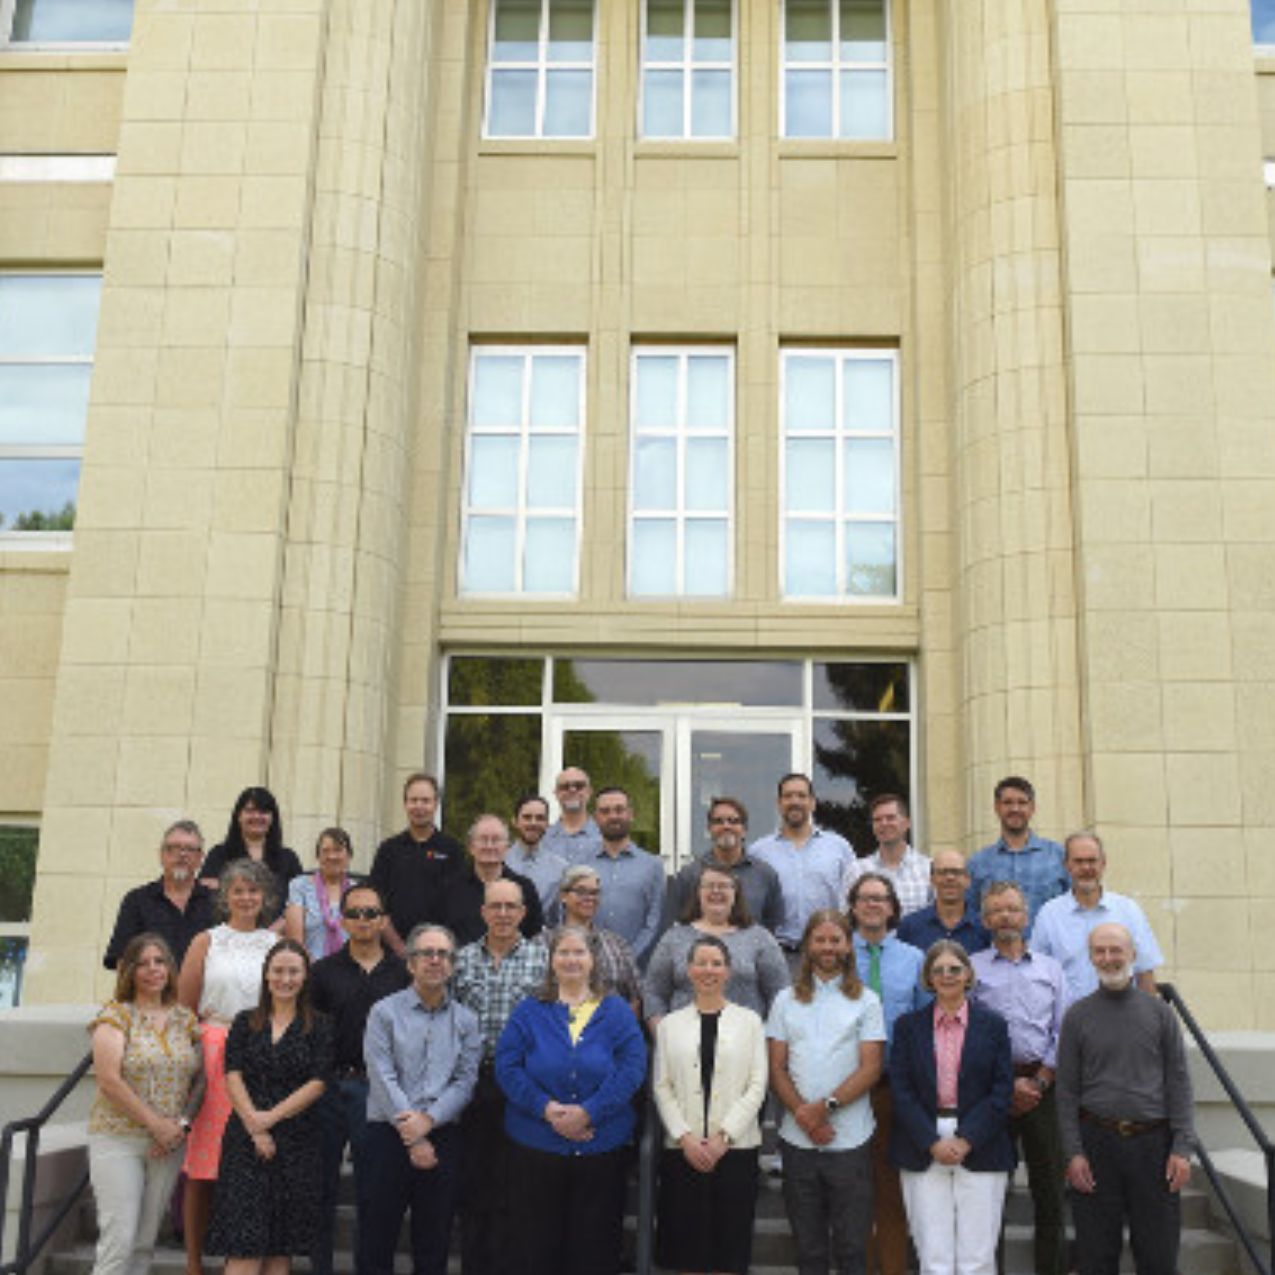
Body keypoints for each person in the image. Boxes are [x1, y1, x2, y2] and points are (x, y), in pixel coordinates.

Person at [494, 926, 647, 1275]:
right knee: (535, 1244)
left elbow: (632, 1067)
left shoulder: (617, 1010)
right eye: (563, 952)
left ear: (593, 960)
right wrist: (546, 1109)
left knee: (594, 1247)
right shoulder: (529, 1010)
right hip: (535, 1146)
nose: (571, 960)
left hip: (601, 1147)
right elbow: (507, 1066)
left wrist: (590, 1112)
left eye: (579, 953)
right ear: (551, 960)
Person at [1056, 923, 1194, 1275]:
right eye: (1100, 951)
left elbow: (1178, 1083)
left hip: (1154, 1147)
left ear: (1132, 954)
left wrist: (1181, 1147)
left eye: (1115, 950)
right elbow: (1067, 1091)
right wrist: (1073, 1153)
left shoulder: (1160, 1013)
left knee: (1158, 1255)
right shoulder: (1077, 1016)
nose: (1108, 958)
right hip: (1096, 1144)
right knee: (1096, 1256)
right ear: (1091, 958)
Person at [767, 910, 885, 1275]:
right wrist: (804, 1114)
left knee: (851, 1249)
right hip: (798, 1140)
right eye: (820, 939)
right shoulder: (785, 1000)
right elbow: (776, 1067)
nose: (828, 947)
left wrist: (825, 1108)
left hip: (849, 1141)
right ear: (807, 945)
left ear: (849, 945)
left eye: (836, 939)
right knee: (809, 1248)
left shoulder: (867, 1001)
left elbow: (871, 1068)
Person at [204, 939, 332, 1275]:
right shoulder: (245, 1022)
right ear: (266, 976)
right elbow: (232, 1073)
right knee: (243, 1248)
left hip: (297, 1142)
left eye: (293, 971)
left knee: (280, 1250)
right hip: (244, 1141)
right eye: (278, 971)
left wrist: (269, 1120)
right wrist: (255, 1126)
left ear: (305, 977)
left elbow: (318, 1082)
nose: (285, 978)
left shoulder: (319, 1025)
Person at [361, 924, 482, 1275]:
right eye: (426, 953)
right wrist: (413, 1133)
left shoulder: (466, 1021)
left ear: (452, 964)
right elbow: (381, 1075)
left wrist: (428, 1122)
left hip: (443, 1135)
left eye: (443, 954)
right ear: (410, 963)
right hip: (388, 1133)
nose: (435, 960)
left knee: (435, 1239)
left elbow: (465, 1081)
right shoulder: (383, 1013)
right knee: (376, 1238)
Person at [890, 940, 1015, 1275]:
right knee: (933, 1254)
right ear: (928, 978)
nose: (947, 976)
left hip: (980, 1140)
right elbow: (901, 1091)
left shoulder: (994, 1026)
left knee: (978, 1256)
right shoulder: (907, 1027)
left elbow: (1001, 1090)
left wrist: (967, 1139)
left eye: (954, 969)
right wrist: (931, 1141)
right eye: (938, 970)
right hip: (923, 1140)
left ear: (969, 974)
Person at [178, 860, 278, 1275]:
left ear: (265, 897)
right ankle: (194, 1262)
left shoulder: (276, 943)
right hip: (214, 1049)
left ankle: (246, 1256)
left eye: (253, 891)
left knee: (253, 1163)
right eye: (238, 890)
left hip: (261, 1053)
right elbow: (185, 1006)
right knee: (205, 1166)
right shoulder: (206, 941)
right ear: (226, 897)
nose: (246, 898)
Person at [87, 934, 205, 1275]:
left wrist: (180, 1126)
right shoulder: (116, 1015)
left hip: (169, 1144)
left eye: (160, 961)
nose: (153, 969)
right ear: (130, 972)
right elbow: (109, 1080)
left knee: (144, 1243)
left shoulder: (186, 1019)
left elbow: (202, 1079)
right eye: (143, 963)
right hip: (118, 1138)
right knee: (119, 1240)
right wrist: (156, 1125)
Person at [308, 883, 410, 1275]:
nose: (364, 920)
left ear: (384, 920)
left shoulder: (403, 972)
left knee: (375, 1193)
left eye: (371, 913)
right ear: (342, 920)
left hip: (381, 1092)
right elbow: (311, 1033)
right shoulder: (322, 972)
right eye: (355, 913)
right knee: (322, 1191)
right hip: (330, 1089)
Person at [970, 882, 1070, 1275]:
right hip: (992, 1091)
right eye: (996, 911)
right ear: (985, 920)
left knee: (1050, 1194)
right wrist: (1004, 1085)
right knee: (991, 1193)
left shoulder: (1051, 969)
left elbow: (1065, 1030)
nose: (1005, 917)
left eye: (1012, 909)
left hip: (1044, 1088)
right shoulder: (972, 967)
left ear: (1026, 916)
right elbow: (968, 1032)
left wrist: (1042, 1081)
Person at [653, 935, 768, 1275]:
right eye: (701, 962)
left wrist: (724, 1137)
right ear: (688, 970)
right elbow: (662, 1086)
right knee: (687, 1253)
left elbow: (757, 1084)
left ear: (728, 971)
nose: (708, 970)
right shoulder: (669, 1025)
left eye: (716, 963)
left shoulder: (750, 1022)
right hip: (682, 1151)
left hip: (735, 1151)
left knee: (728, 1253)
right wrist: (685, 1138)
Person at [453, 879, 549, 1275]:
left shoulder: (543, 961)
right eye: (496, 906)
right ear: (483, 911)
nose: (504, 914)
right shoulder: (460, 960)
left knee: (518, 1184)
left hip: (522, 1085)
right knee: (475, 1183)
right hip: (474, 1084)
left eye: (512, 907)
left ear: (524, 913)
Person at [847, 872, 927, 1275]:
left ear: (893, 908)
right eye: (865, 898)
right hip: (846, 1091)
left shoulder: (914, 959)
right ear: (854, 906)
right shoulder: (838, 956)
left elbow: (926, 1024)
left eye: (880, 898)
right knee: (852, 1195)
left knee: (891, 1192)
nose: (873, 904)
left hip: (895, 1090)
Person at [644, 863, 789, 1028]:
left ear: (736, 893)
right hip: (684, 1041)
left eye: (723, 886)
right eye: (709, 886)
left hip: (744, 1041)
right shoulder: (673, 938)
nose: (716, 891)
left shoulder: (760, 938)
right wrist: (664, 1035)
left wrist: (765, 1040)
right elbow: (654, 993)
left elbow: (780, 996)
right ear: (698, 893)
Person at [1031, 832, 1164, 999]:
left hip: (1122, 1019)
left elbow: (1144, 972)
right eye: (1078, 861)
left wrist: (1150, 1020)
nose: (1086, 868)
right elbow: (1038, 976)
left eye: (1092, 861)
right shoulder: (1049, 914)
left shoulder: (1128, 910)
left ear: (1103, 863)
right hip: (1069, 1020)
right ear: (1066, 865)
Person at [749, 773, 855, 964]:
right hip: (777, 955)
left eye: (801, 796)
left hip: (828, 955)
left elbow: (852, 900)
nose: (794, 801)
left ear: (812, 802)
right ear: (779, 803)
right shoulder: (759, 852)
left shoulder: (839, 848)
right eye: (788, 796)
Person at [369, 772, 465, 958]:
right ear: (405, 803)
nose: (419, 806)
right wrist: (399, 947)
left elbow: (457, 904)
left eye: (425, 800)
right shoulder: (388, 849)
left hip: (437, 954)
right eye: (414, 800)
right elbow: (376, 903)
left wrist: (436, 947)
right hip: (392, 953)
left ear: (436, 804)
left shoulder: (452, 849)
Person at [104, 820, 215, 970]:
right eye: (173, 848)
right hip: (153, 991)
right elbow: (122, 958)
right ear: (161, 855)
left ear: (200, 858)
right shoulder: (137, 900)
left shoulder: (217, 901)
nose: (182, 854)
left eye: (190, 849)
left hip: (204, 992)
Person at [579, 786, 666, 966]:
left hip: (637, 971)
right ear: (596, 819)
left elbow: (655, 922)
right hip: (588, 969)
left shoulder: (653, 866)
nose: (613, 816)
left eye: (619, 810)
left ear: (631, 814)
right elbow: (571, 916)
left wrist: (628, 958)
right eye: (605, 811)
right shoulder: (581, 865)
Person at [669, 796, 784, 933]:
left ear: (744, 830)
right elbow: (679, 923)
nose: (726, 826)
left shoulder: (765, 875)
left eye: (733, 821)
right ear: (709, 829)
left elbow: (772, 924)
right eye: (718, 821)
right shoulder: (689, 875)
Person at [966, 776, 1067, 926]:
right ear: (997, 808)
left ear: (1032, 808)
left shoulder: (1058, 856)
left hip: (1049, 949)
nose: (1015, 809)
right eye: (1008, 803)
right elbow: (971, 913)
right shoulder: (978, 862)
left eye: (1022, 803)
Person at [198, 787, 303, 927]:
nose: (257, 816)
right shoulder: (219, 854)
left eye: (263, 812)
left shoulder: (288, 859)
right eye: (250, 811)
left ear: (273, 818)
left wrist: (272, 933)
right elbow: (205, 892)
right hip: (229, 937)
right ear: (239, 816)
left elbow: (299, 902)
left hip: (276, 940)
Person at [442, 814, 544, 947]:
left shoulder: (525, 888)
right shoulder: (450, 888)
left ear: (507, 847)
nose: (489, 846)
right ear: (471, 847)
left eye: (496, 840)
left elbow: (534, 936)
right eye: (483, 840)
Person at [553, 863, 642, 1010]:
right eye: (581, 891)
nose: (589, 898)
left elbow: (635, 997)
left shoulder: (617, 944)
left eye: (594, 893)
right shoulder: (544, 943)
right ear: (563, 896)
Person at [842, 795, 932, 918]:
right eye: (877, 820)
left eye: (890, 818)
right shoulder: (857, 871)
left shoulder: (927, 869)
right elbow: (845, 920)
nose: (884, 823)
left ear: (907, 823)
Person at [284, 827, 356, 962]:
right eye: (325, 851)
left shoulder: (358, 891)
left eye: (338, 850)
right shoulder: (299, 886)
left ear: (349, 855)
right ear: (318, 856)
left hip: (350, 971)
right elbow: (295, 941)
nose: (332, 856)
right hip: (310, 968)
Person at [897, 850, 989, 955]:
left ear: (967, 880)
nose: (950, 877)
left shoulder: (984, 927)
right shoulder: (910, 927)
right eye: (942, 872)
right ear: (932, 880)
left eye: (957, 872)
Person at [505, 794, 567, 917]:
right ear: (515, 821)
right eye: (527, 817)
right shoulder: (499, 860)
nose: (533, 823)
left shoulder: (560, 868)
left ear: (547, 824)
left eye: (540, 818)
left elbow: (558, 918)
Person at [540, 766, 602, 863]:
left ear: (589, 791)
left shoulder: (605, 837)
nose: (572, 790)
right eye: (565, 786)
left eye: (579, 786)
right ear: (556, 793)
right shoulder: (541, 838)